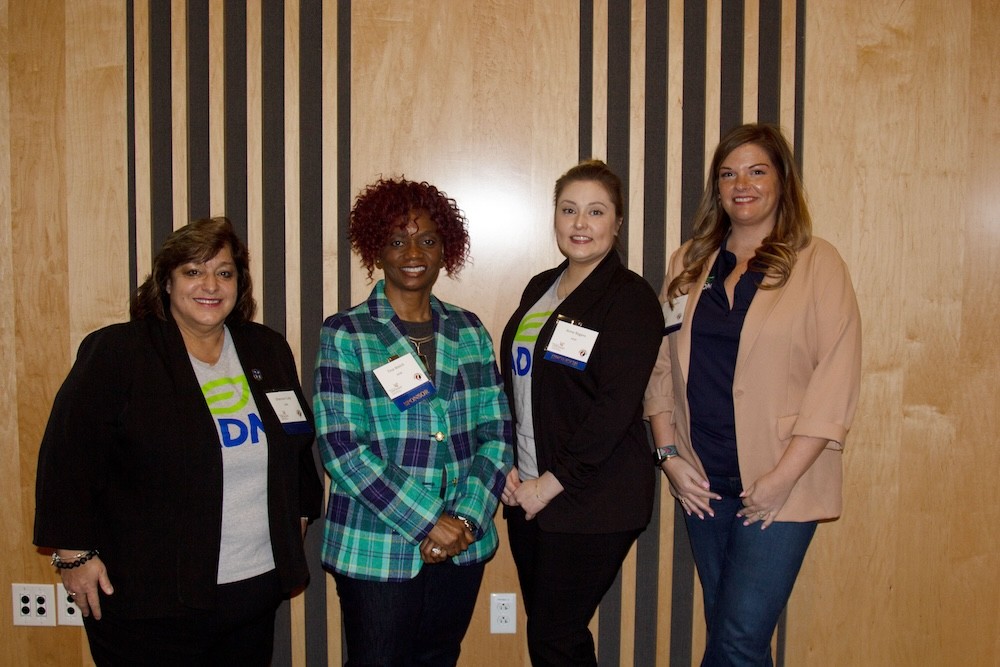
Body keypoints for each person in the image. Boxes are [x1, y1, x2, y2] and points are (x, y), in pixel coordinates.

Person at [33, 217, 323, 665]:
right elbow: (67, 457)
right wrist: (72, 554)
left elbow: (296, 438)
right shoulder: (118, 352)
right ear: (166, 281)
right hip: (148, 595)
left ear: (239, 283)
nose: (210, 284)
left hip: (253, 584)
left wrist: (300, 510)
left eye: (224, 272)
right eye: (193, 271)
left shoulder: (265, 347)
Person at [644, 123, 862, 666]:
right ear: (717, 188)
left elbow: (836, 378)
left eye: (757, 170)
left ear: (782, 180)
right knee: (732, 634)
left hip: (780, 486)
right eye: (728, 173)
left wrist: (781, 479)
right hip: (704, 483)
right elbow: (661, 368)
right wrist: (669, 456)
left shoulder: (819, 263)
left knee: (736, 641)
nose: (742, 184)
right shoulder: (688, 263)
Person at [314, 177, 512, 666]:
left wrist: (463, 519)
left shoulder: (468, 329)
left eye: (427, 239)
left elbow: (497, 433)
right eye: (397, 240)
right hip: (375, 545)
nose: (412, 252)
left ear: (446, 248)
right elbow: (342, 448)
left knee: (438, 658)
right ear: (376, 250)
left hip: (463, 543)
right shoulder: (347, 333)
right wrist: (430, 522)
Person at [499, 159, 664, 665]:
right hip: (525, 490)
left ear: (617, 223)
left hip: (591, 499)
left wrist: (550, 483)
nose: (579, 224)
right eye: (568, 210)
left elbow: (615, 409)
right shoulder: (539, 288)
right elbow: (518, 385)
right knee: (550, 635)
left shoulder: (629, 299)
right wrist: (509, 464)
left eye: (595, 212)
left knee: (557, 634)